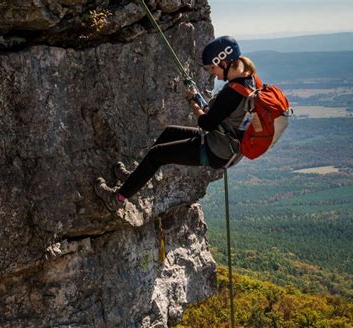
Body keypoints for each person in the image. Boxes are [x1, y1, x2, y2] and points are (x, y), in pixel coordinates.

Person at [95, 36, 258, 211]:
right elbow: (222, 113)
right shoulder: (250, 79)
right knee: (170, 132)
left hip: (217, 149)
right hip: (226, 142)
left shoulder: (232, 92)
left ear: (225, 62)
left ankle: (117, 199)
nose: (212, 73)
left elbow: (206, 123)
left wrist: (193, 103)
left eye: (213, 67)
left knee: (157, 155)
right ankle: (135, 178)